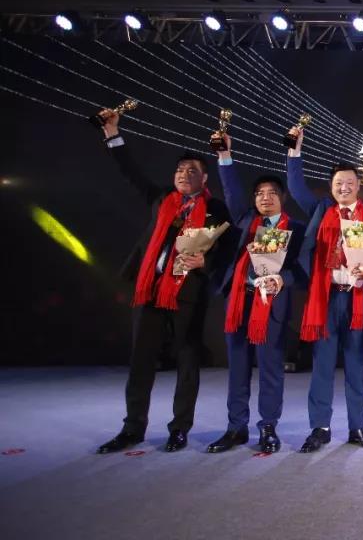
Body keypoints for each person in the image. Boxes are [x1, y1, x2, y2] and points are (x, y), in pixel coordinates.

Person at [96, 110, 231, 454]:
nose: (184, 175)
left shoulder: (216, 209)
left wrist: (206, 262)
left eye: (192, 171)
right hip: (151, 290)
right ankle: (132, 428)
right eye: (180, 170)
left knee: (187, 363)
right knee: (141, 361)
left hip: (188, 294)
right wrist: (113, 134)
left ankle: (179, 428)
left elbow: (229, 250)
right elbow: (131, 172)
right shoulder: (162, 200)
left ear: (204, 178)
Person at [287, 130, 363, 453]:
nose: (343, 188)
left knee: (355, 364)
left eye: (349, 182)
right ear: (331, 187)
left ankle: (358, 426)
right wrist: (295, 152)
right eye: (338, 183)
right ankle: (319, 427)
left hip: (357, 299)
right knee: (322, 365)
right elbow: (296, 188)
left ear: (358, 185)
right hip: (326, 297)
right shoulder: (321, 210)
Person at [207, 134, 306, 454]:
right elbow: (231, 190)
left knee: (270, 369)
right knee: (237, 369)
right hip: (240, 302)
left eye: (271, 193)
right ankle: (235, 427)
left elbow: (303, 269)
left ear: (282, 198)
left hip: (272, 306)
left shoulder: (296, 229)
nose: (265, 198)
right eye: (260, 193)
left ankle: (268, 427)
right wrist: (225, 156)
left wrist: (282, 279)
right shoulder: (244, 219)